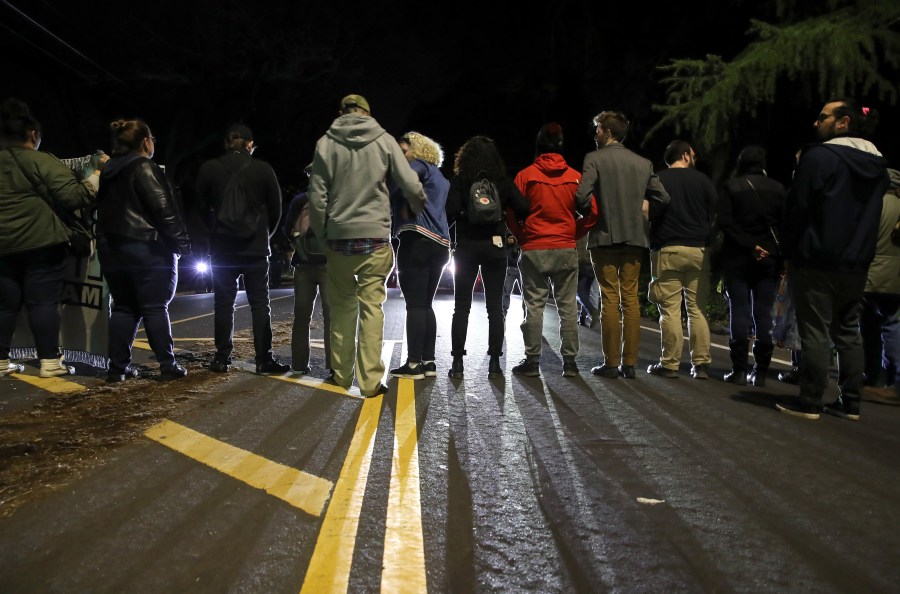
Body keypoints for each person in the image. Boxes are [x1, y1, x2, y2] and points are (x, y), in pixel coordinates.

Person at [777, 99, 890, 420]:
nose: (817, 123)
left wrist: (789, 250)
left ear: (842, 122)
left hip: (816, 257)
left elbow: (798, 208)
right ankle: (850, 402)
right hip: (857, 260)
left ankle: (810, 400)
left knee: (815, 330)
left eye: (822, 117)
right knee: (848, 330)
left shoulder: (820, 157)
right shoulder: (878, 167)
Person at [307, 94, 426, 397]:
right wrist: (418, 204)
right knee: (372, 308)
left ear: (341, 113)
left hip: (338, 238)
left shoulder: (325, 144)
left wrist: (323, 236)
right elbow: (411, 184)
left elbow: (317, 197)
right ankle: (371, 382)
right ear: (368, 114)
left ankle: (342, 375)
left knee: (343, 308)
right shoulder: (385, 141)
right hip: (374, 238)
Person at [0, 98, 103, 378]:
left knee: (5, 305)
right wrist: (95, 174)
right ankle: (49, 363)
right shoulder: (41, 160)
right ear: (33, 135)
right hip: (41, 243)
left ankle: (0, 361)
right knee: (42, 303)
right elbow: (73, 197)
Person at [573, 111, 670, 379]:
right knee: (630, 299)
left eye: (597, 131)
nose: (595, 135)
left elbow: (581, 197)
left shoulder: (594, 159)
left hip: (604, 237)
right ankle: (630, 364)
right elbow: (662, 197)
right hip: (635, 238)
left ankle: (611, 363)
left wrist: (590, 213)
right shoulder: (642, 163)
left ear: (606, 131)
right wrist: (645, 208)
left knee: (609, 298)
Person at [96, 119, 191, 381]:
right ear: (145, 141)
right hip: (146, 246)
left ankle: (117, 368)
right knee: (154, 306)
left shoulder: (108, 170)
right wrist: (181, 244)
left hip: (111, 247)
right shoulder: (144, 166)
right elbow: (163, 209)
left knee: (125, 307)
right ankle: (167, 365)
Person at [196, 123, 289, 375]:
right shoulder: (263, 169)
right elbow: (276, 209)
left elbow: (201, 209)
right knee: (260, 304)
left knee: (224, 303)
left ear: (227, 142)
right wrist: (265, 235)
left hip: (222, 249)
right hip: (255, 249)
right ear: (250, 144)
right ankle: (263, 359)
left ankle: (221, 358)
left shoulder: (209, 169)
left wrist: (215, 231)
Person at [508, 123, 595, 377]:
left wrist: (521, 236)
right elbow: (593, 213)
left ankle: (532, 361)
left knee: (534, 304)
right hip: (565, 247)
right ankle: (569, 363)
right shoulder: (575, 177)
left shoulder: (525, 176)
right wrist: (573, 232)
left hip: (534, 247)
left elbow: (510, 212)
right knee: (567, 306)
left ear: (538, 146)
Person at [445, 136, 530, 379]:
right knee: (494, 308)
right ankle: (494, 363)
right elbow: (524, 206)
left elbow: (449, 211)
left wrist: (464, 213)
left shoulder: (461, 180)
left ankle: (458, 363)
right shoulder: (502, 181)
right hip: (495, 247)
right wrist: (502, 211)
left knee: (462, 306)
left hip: (467, 247)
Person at [646, 140, 716, 379]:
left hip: (668, 249)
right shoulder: (703, 181)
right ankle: (702, 364)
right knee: (697, 309)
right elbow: (715, 211)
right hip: (698, 250)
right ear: (685, 156)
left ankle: (670, 364)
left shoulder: (657, 178)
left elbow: (646, 211)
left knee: (670, 310)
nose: (694, 158)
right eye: (693, 155)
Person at [718, 145, 787, 386]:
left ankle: (738, 370)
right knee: (763, 311)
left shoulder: (731, 187)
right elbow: (784, 226)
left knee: (739, 310)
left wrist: (749, 246)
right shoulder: (779, 189)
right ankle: (760, 371)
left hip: (738, 257)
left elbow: (725, 224)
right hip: (769, 258)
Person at [388, 131, 451, 380]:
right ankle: (429, 361)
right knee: (425, 304)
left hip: (417, 239)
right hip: (440, 243)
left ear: (417, 150)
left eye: (403, 151)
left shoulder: (417, 166)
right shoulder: (441, 176)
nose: (400, 157)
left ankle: (413, 364)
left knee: (414, 303)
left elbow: (406, 180)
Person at [283, 164, 330, 376]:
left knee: (302, 317)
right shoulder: (337, 200)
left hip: (303, 264)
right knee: (332, 317)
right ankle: (335, 366)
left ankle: (299, 364)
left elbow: (286, 229)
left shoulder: (300, 200)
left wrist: (298, 246)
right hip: (330, 265)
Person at [859, 168, 900, 394]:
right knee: (892, 324)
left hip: (873, 274)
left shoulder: (875, 205)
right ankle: (893, 378)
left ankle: (871, 375)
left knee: (869, 327)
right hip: (896, 277)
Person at [575, 233, 598, 327]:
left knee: (579, 292)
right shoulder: (592, 226)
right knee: (587, 292)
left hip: (582, 263)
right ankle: (582, 318)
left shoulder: (579, 225)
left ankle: (592, 311)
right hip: (593, 262)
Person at [501, 233, 523, 318]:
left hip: (520, 270)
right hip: (509, 270)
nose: (511, 240)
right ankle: (504, 312)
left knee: (525, 293)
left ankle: (527, 312)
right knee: (506, 292)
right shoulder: (504, 248)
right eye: (509, 238)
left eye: (512, 238)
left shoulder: (518, 247)